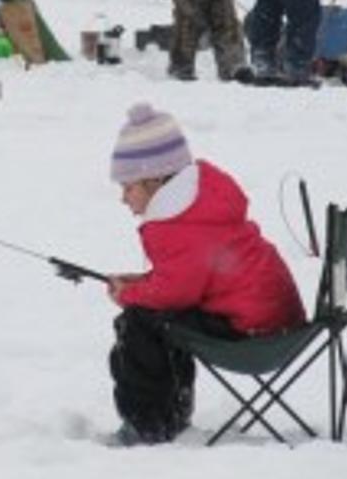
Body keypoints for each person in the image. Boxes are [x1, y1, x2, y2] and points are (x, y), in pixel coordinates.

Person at [106, 102, 306, 446]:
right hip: (272, 319)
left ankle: (149, 425)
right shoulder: (197, 204)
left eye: (128, 187)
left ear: (155, 180)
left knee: (139, 321)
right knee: (157, 316)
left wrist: (127, 294)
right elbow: (188, 277)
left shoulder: (177, 224)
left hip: (254, 334)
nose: (123, 198)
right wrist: (142, 282)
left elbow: (175, 293)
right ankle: (169, 414)